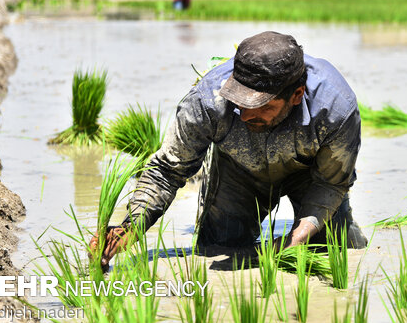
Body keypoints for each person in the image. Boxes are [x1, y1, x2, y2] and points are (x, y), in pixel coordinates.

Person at [91, 31, 367, 269]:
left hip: (309, 174)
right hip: (238, 171)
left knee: (335, 246)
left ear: (295, 95)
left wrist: (296, 237)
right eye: (240, 104)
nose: (245, 117)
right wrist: (129, 227)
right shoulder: (207, 100)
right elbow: (166, 170)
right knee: (220, 246)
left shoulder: (335, 109)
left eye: (263, 107)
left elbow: (331, 184)